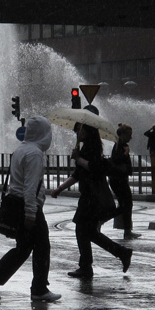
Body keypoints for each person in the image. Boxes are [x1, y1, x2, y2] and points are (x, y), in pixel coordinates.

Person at [0, 116, 61, 303]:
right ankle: (38, 289)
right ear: (43, 133)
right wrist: (31, 212)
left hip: (17, 203)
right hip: (28, 206)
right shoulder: (35, 154)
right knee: (42, 247)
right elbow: (30, 187)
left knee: (24, 247)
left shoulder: (21, 149)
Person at [51, 119, 132, 278]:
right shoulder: (85, 148)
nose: (77, 133)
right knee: (89, 233)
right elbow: (78, 174)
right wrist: (60, 188)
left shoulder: (92, 149)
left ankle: (87, 266)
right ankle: (121, 253)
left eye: (80, 130)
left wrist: (78, 159)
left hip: (92, 198)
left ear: (88, 132)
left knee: (83, 231)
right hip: (88, 196)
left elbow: (95, 168)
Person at [107, 124, 138, 240]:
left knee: (125, 205)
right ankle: (102, 220)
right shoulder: (118, 146)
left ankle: (127, 230)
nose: (131, 137)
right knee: (126, 205)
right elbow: (115, 160)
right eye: (129, 135)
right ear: (123, 135)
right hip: (117, 180)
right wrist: (125, 154)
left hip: (119, 179)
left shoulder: (122, 145)